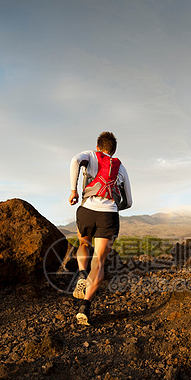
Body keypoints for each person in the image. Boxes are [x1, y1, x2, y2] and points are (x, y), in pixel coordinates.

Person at [69, 131, 132, 325]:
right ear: (113, 150)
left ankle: (81, 273)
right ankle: (85, 307)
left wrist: (73, 190)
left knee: (84, 244)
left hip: (87, 210)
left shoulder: (90, 155)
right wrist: (113, 205)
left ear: (98, 146)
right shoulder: (120, 167)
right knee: (99, 263)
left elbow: (74, 161)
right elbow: (128, 202)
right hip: (109, 215)